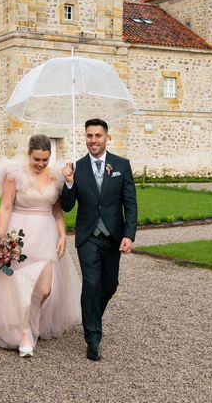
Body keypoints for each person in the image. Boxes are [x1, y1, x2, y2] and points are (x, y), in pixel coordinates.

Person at [0, 134, 81, 358]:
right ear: (28, 154)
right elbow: (6, 207)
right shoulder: (14, 175)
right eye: (36, 159)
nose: (40, 164)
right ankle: (24, 333)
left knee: (44, 289)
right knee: (19, 284)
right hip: (19, 235)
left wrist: (62, 235)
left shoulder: (56, 176)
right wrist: (1, 239)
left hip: (47, 235)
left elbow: (57, 211)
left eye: (45, 160)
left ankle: (30, 324)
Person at [60, 118, 137, 361]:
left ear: (107, 137)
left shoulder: (121, 165)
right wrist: (69, 182)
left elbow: (130, 204)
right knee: (91, 283)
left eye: (98, 136)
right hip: (88, 237)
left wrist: (128, 234)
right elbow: (67, 206)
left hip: (113, 236)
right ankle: (92, 338)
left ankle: (91, 315)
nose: (93, 140)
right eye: (89, 136)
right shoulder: (76, 168)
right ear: (85, 137)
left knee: (110, 284)